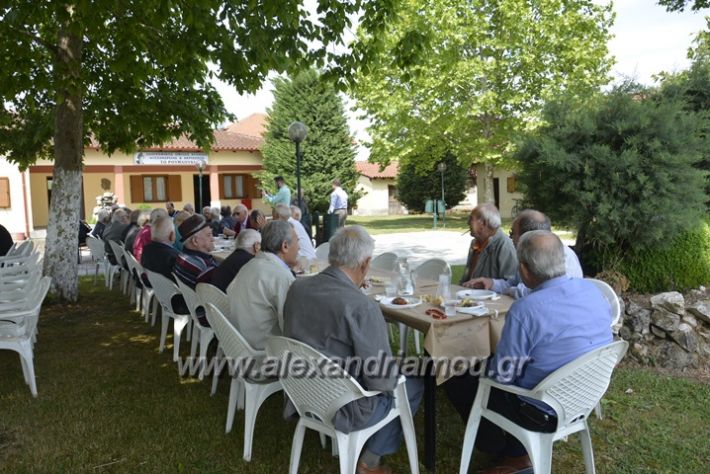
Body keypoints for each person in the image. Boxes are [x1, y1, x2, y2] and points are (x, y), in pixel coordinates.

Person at [445, 231, 613, 474]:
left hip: (541, 409)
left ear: (523, 270)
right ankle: (517, 452)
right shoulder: (593, 292)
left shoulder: (526, 309)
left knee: (458, 377)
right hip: (585, 396)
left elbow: (502, 377)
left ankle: (510, 453)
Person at [283, 225, 423, 474]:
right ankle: (370, 461)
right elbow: (382, 380)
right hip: (344, 406)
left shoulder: (297, 288)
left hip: (302, 393)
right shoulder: (362, 307)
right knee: (412, 384)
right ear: (365, 263)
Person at [464, 209, 583, 298]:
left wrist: (510, 290)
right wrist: (490, 283)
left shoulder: (559, 255)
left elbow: (533, 293)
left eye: (512, 233)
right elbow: (514, 282)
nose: (511, 239)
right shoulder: (529, 253)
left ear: (527, 236)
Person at [226, 220, 298, 350]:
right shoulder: (280, 276)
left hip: (238, 343)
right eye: (297, 241)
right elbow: (291, 327)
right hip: (265, 350)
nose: (299, 247)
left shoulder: (250, 265)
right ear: (285, 246)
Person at [459, 203, 517, 285]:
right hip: (470, 296)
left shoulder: (504, 245)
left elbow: (511, 284)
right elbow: (466, 279)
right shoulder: (475, 243)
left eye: (471, 219)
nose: (468, 223)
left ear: (483, 223)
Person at [141, 214, 189, 315]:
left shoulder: (146, 250)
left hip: (161, 295)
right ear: (172, 235)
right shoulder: (174, 257)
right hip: (178, 302)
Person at [173, 214, 219, 294]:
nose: (213, 239)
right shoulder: (202, 268)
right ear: (195, 241)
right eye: (208, 235)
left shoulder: (182, 257)